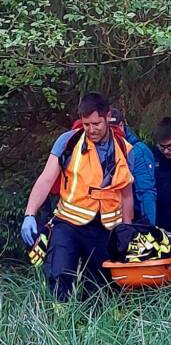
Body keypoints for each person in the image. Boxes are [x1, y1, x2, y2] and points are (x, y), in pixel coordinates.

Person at [20, 92, 135, 304]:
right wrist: (30, 214)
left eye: (96, 123)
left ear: (108, 116)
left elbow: (126, 192)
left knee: (102, 288)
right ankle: (61, 320)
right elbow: (46, 179)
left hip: (105, 228)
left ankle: (93, 328)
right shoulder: (68, 142)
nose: (91, 130)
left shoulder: (124, 149)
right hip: (68, 223)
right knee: (59, 271)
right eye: (86, 124)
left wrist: (126, 228)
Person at [107, 108, 157, 226]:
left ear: (121, 125)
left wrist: (149, 229)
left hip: (133, 218)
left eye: (115, 128)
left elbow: (146, 193)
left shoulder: (138, 152)